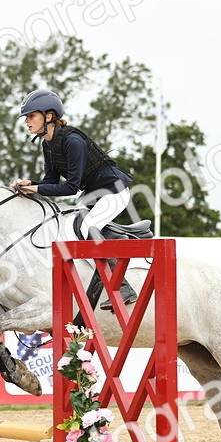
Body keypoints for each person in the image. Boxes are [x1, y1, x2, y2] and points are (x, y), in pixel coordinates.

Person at [9, 88, 138, 310]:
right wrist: (29, 184)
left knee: (88, 227)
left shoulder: (73, 141)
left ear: (48, 116)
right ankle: (90, 280)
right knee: (68, 227)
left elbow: (70, 187)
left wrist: (36, 188)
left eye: (31, 116)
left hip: (113, 190)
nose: (27, 122)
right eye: (27, 117)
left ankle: (122, 286)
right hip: (92, 193)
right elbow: (49, 179)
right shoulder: (47, 143)